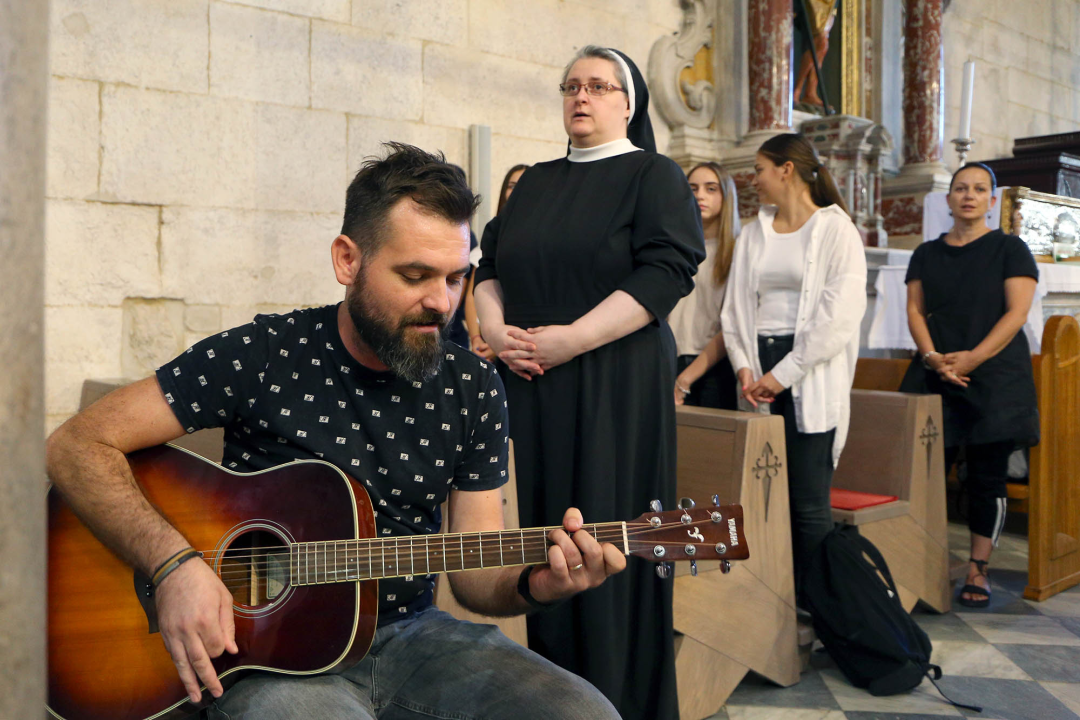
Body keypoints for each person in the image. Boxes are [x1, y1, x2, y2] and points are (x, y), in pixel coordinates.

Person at [45, 143, 625, 720]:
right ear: (348, 260)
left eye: (455, 277)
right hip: (265, 652)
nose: (441, 302)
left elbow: (476, 576)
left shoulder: (472, 386)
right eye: (416, 275)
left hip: (417, 640)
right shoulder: (264, 353)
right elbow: (76, 445)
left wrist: (538, 584)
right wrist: (173, 564)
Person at [474, 45, 704, 720]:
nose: (582, 96)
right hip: (531, 382)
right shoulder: (538, 181)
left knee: (601, 535)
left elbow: (667, 272)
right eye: (572, 85)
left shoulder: (652, 174)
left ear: (627, 104)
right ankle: (543, 700)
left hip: (613, 384)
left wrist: (573, 338)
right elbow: (488, 265)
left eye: (599, 86)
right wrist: (492, 330)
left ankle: (615, 702)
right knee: (538, 542)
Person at [720, 133, 866, 595]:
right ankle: (775, 605)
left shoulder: (836, 227)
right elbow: (735, 307)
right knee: (762, 501)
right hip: (757, 368)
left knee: (807, 504)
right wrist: (745, 366)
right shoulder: (755, 230)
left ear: (786, 169)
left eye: (760, 169)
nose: (754, 180)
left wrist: (780, 376)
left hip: (807, 375)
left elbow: (837, 318)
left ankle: (820, 607)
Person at [900, 162, 1039, 608]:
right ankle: (921, 562)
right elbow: (916, 310)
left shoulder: (1010, 248)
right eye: (961, 188)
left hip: (994, 375)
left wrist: (974, 358)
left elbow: (1016, 313)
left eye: (980, 189)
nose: (969, 196)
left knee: (986, 476)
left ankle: (978, 568)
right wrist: (932, 358)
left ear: (991, 200)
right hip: (937, 372)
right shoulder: (926, 252)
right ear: (949, 199)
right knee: (924, 476)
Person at [671, 161, 741, 409]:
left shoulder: (737, 251)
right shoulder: (673, 248)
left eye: (711, 189)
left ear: (726, 195)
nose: (700, 195)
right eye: (693, 188)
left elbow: (733, 322)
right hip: (670, 358)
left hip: (714, 367)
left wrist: (685, 379)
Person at [465, 164, 529, 362]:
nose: (516, 190)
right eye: (511, 185)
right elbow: (473, 293)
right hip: (488, 337)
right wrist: (477, 337)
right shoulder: (493, 233)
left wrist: (501, 343)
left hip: (520, 342)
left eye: (523, 184)